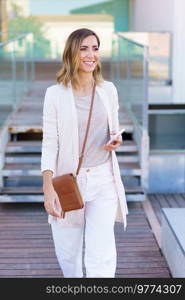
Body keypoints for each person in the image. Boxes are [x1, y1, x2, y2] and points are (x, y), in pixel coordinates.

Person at [41, 28, 128, 278]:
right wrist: (48, 189)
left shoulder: (108, 90)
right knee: (69, 253)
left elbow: (113, 131)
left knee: (102, 254)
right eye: (84, 48)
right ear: (72, 53)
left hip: (103, 179)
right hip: (68, 181)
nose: (91, 55)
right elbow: (50, 142)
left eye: (95, 48)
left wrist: (115, 141)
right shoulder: (55, 94)